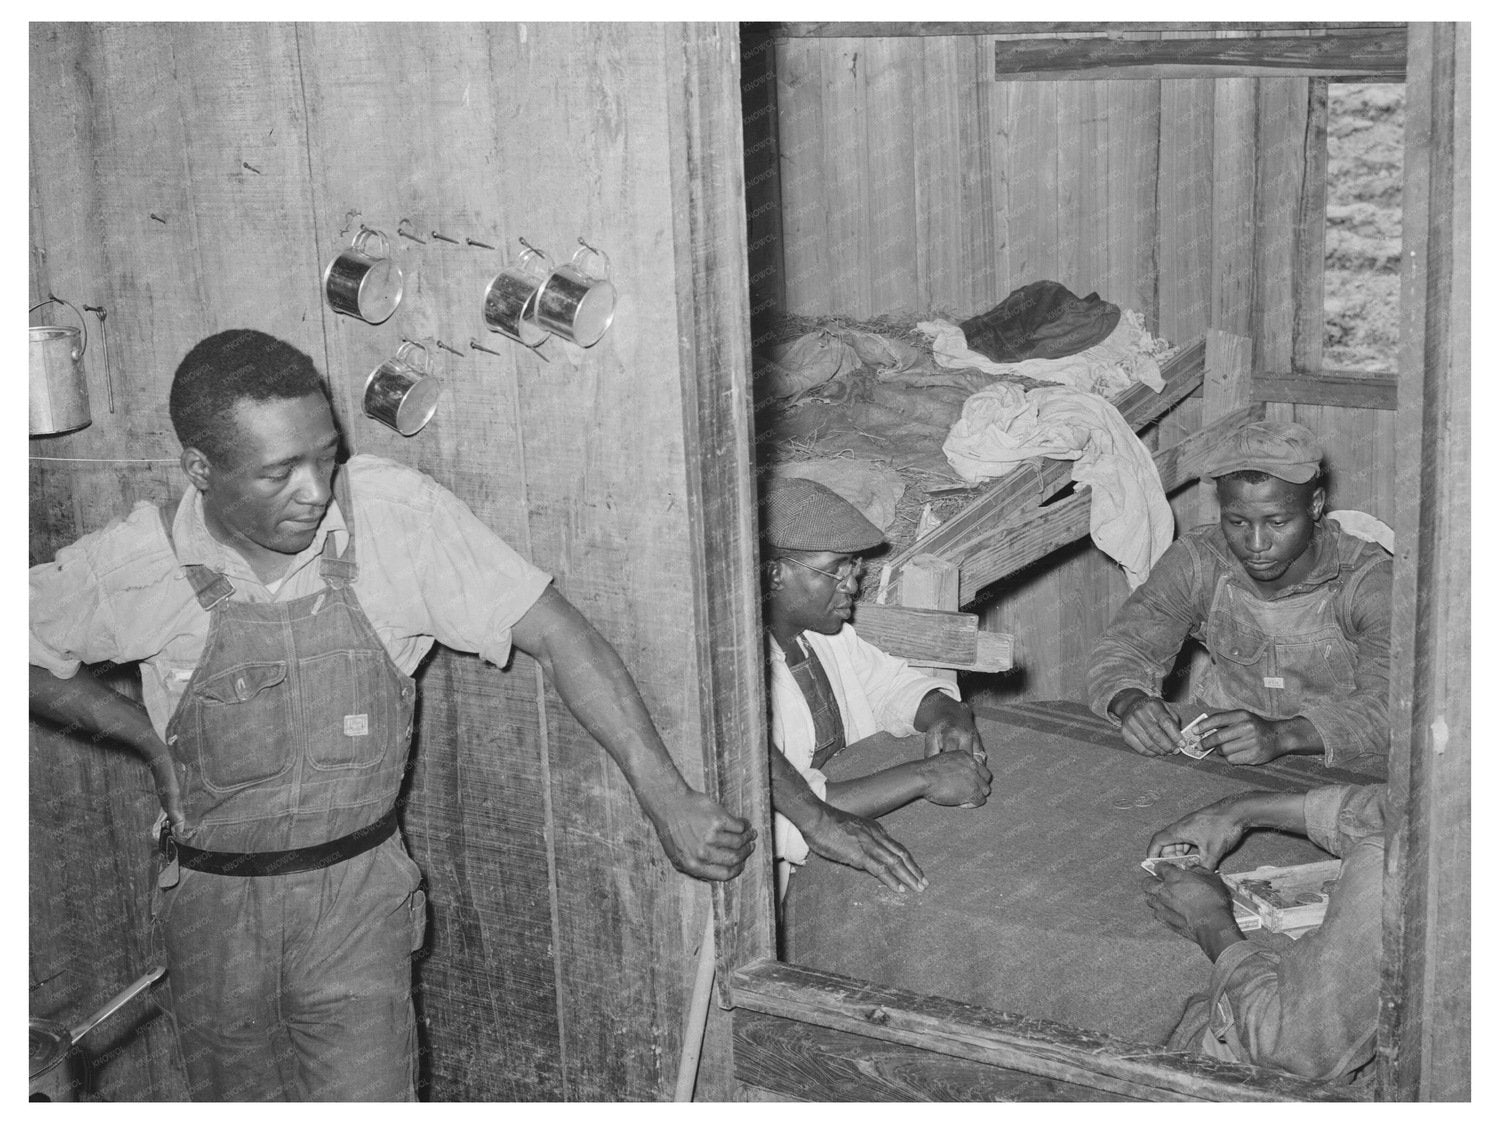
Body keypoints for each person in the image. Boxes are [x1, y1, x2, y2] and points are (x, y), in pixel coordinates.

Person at [28, 329, 755, 1102]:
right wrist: (140, 735)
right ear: (201, 470)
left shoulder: (394, 520)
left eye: (325, 455)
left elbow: (556, 632)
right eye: (280, 472)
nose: (314, 490)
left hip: (355, 903)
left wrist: (665, 795)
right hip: (213, 915)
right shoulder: (138, 565)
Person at [1087, 420, 1391, 772]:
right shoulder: (1198, 561)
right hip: (1224, 753)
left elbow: (1391, 705)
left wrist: (1282, 736)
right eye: (1237, 522)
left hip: (1338, 760)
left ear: (1316, 505)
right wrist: (1129, 699)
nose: (1256, 544)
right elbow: (1124, 648)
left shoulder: (1368, 579)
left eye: (1277, 523)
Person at [759, 476, 992, 898]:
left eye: (855, 567)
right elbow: (790, 814)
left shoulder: (825, 636)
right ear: (777, 573)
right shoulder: (743, 681)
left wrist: (948, 715)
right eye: (835, 571)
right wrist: (923, 776)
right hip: (788, 887)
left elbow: (892, 687)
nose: (852, 584)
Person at [1142, 784, 1386, 1084]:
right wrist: (1243, 809)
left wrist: (1212, 923)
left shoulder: (1389, 864)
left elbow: (1295, 1049)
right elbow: (1401, 808)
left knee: (1158, 1006)